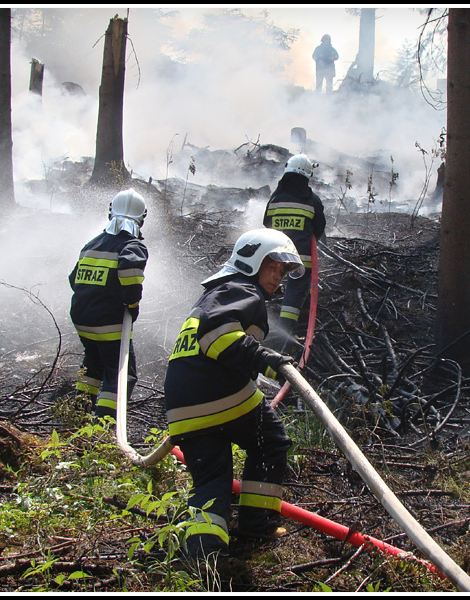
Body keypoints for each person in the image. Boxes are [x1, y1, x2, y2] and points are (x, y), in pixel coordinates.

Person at [164, 228, 304, 562]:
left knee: (212, 477)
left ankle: (204, 554)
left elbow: (228, 346)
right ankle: (257, 524)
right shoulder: (241, 289)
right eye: (273, 266)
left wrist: (268, 364)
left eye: (283, 271)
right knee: (270, 441)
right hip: (220, 393)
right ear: (251, 260)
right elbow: (219, 339)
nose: (278, 276)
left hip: (182, 406)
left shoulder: (217, 295)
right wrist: (265, 359)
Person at [69, 188, 148, 420]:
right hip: (109, 324)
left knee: (93, 365)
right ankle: (103, 428)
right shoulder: (132, 245)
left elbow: (74, 280)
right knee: (121, 374)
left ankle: (77, 416)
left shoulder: (91, 244)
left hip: (82, 320)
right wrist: (132, 305)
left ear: (110, 213)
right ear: (142, 219)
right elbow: (130, 272)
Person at [263, 154, 326, 351]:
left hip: (276, 255)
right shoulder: (311, 200)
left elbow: (266, 223)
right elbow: (319, 228)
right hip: (301, 258)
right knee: (296, 288)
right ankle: (286, 331)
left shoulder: (275, 198)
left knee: (270, 284)